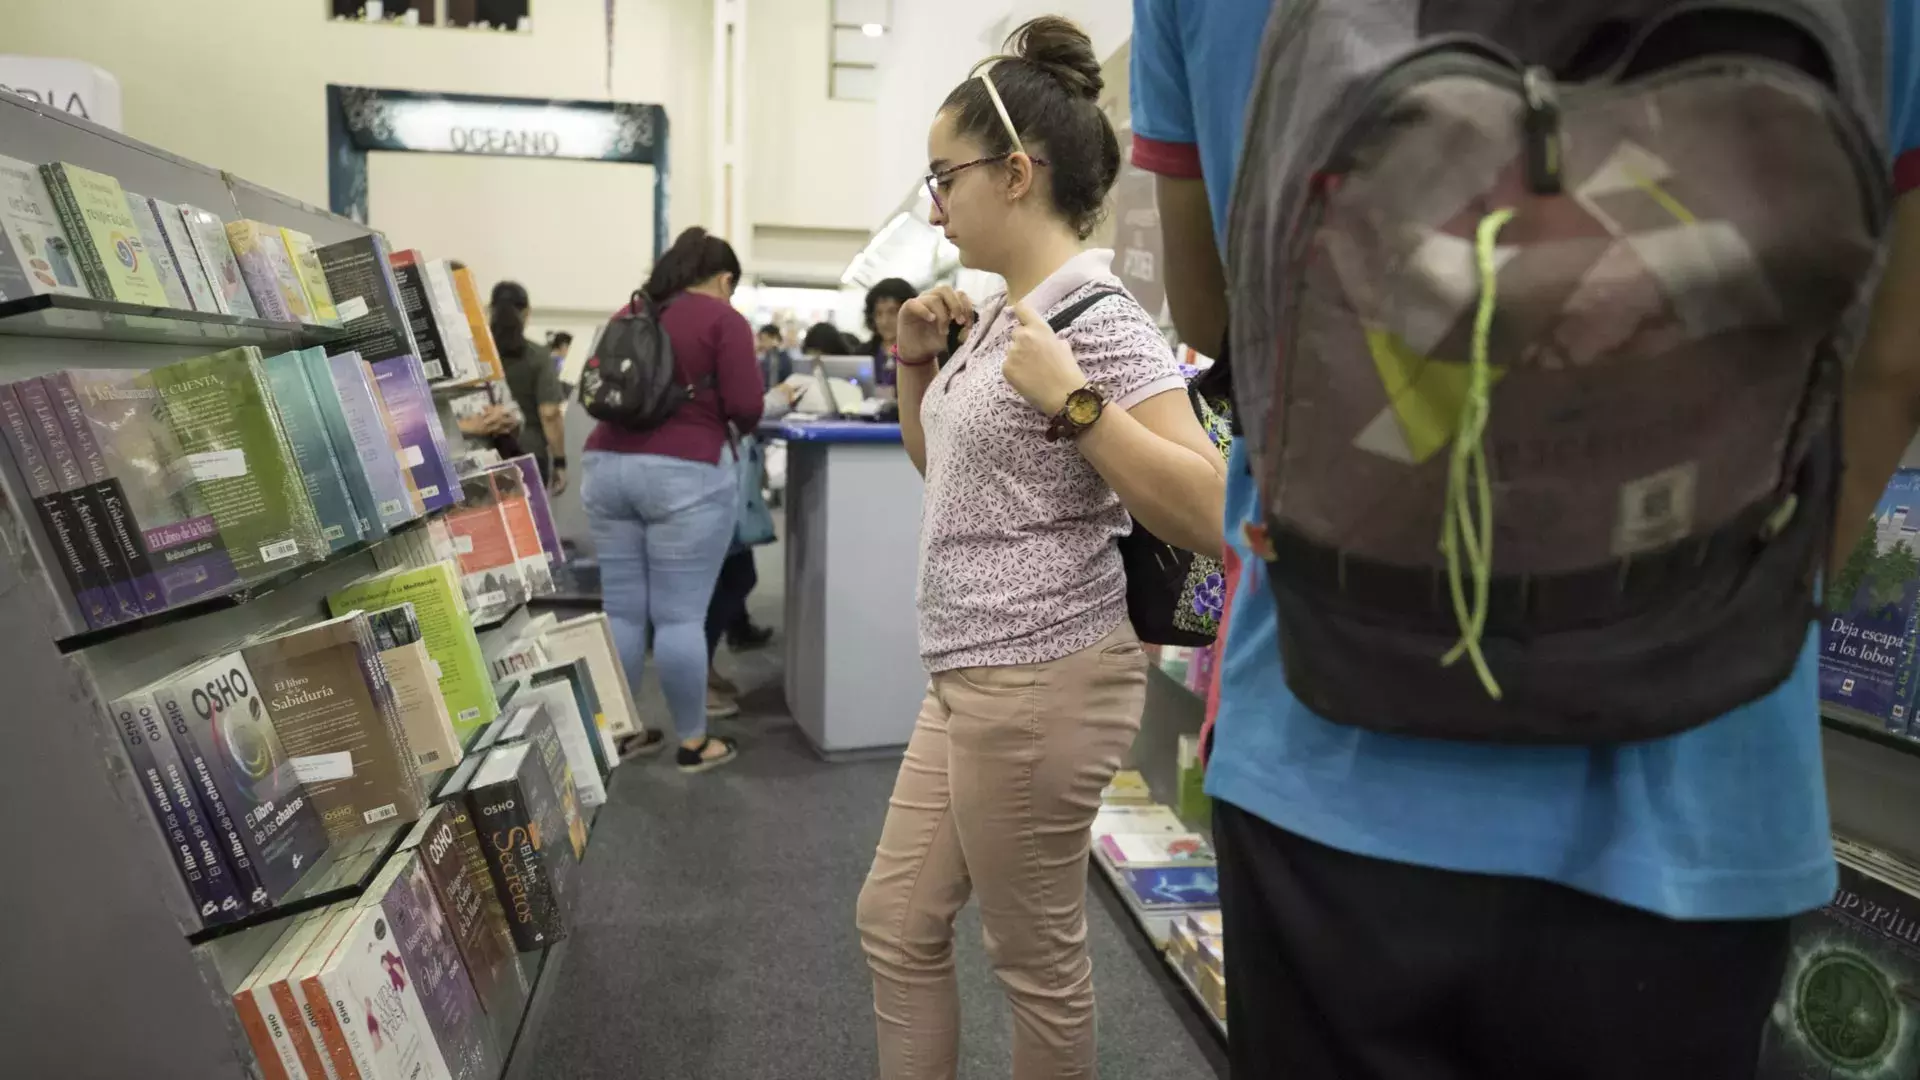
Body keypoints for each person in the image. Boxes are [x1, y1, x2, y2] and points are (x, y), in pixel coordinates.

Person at [1131, 2, 1920, 1076]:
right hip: (1699, 777)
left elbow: (1217, 312)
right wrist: (1753, 595)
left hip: (1331, 738)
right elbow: (1894, 356)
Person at [852, 18, 1226, 1079]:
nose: (936, 204)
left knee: (1033, 961)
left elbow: (1207, 507)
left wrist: (1076, 405)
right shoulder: (1001, 316)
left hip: (1042, 671)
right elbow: (950, 473)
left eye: (945, 176)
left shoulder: (1096, 318)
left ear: (1016, 173)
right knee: (896, 920)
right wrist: (916, 364)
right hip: (975, 673)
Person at [580, 227, 765, 774]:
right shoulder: (723, 320)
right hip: (685, 474)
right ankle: (692, 742)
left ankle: (619, 733)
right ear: (725, 278)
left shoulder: (630, 312)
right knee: (681, 617)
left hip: (605, 467)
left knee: (623, 612)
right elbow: (746, 408)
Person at [489, 280, 569, 493]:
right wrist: (560, 462)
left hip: (482, 454)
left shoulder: (474, 355)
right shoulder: (538, 357)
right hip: (527, 454)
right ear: (527, 313)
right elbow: (549, 413)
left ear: (489, 310)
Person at [860, 277, 917, 391]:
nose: (885, 321)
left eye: (892, 312)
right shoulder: (862, 353)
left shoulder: (924, 353)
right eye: (879, 313)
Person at [756, 322, 795, 389]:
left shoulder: (783, 357)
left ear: (775, 339)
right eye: (761, 340)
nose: (762, 344)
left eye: (765, 340)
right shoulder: (763, 356)